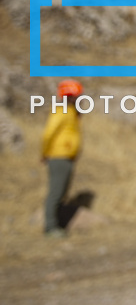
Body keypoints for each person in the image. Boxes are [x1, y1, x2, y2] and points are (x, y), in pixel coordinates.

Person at [42, 80, 83, 238]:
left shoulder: (71, 112)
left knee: (61, 192)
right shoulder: (62, 111)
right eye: (77, 96)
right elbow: (48, 134)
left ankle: (57, 224)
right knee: (55, 192)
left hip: (67, 157)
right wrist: (45, 153)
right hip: (58, 157)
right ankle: (50, 227)